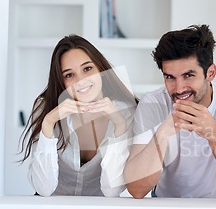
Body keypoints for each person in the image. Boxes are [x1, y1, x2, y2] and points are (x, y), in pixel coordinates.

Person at [124, 25, 216, 201]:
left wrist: (215, 134)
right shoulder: (152, 104)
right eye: (170, 77)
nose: (179, 88)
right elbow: (136, 189)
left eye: (188, 75)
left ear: (211, 72)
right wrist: (163, 133)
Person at [19, 34, 137, 197]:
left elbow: (112, 191)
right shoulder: (45, 108)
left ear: (100, 69)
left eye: (87, 69)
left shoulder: (126, 113)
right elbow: (43, 189)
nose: (80, 80)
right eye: (69, 75)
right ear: (62, 81)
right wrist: (48, 123)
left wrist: (119, 124)